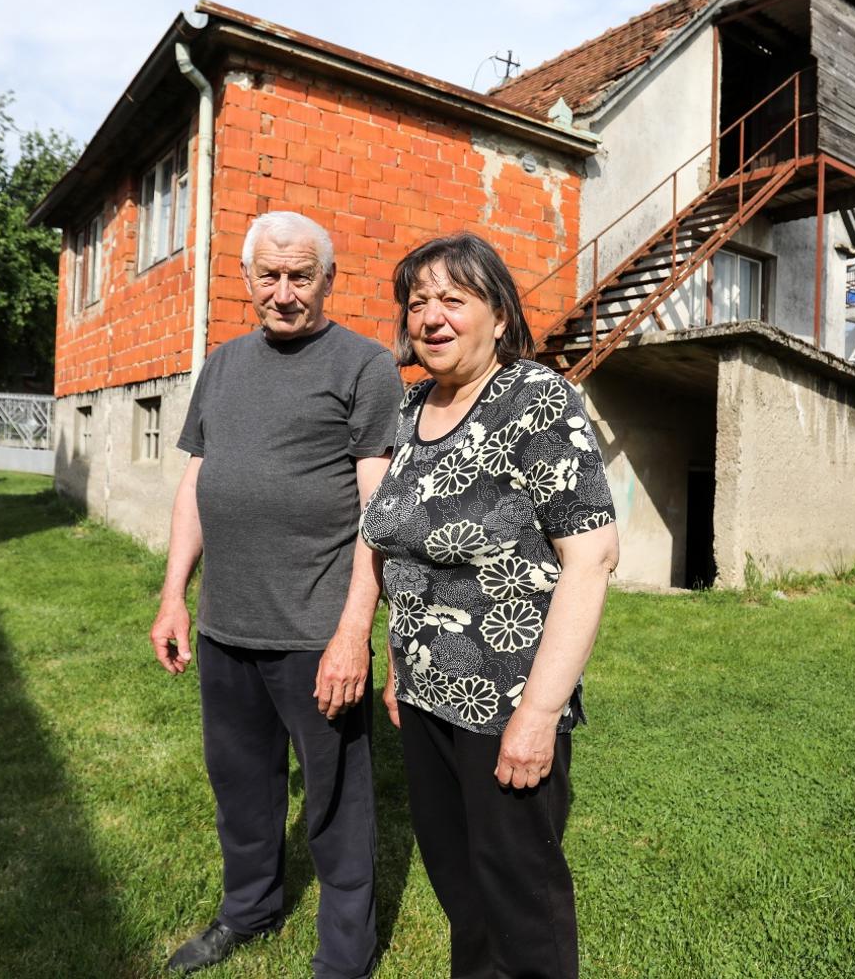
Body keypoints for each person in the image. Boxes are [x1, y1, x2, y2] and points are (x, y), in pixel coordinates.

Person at [149, 210, 404, 978]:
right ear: (247, 280)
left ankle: (344, 958)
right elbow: (197, 480)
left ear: (329, 280)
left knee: (335, 803)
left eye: (302, 276)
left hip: (314, 633)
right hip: (228, 626)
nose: (285, 293)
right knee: (241, 789)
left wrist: (353, 631)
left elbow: (378, 508)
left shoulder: (364, 366)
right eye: (271, 275)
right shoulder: (222, 365)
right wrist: (173, 597)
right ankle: (249, 909)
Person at [361, 232, 619, 979]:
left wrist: (537, 716)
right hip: (424, 695)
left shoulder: (536, 401)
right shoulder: (410, 412)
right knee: (462, 893)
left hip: (507, 702)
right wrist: (394, 664)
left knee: (519, 905)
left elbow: (592, 558)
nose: (432, 316)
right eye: (418, 302)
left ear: (499, 314)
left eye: (453, 299)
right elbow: (399, 549)